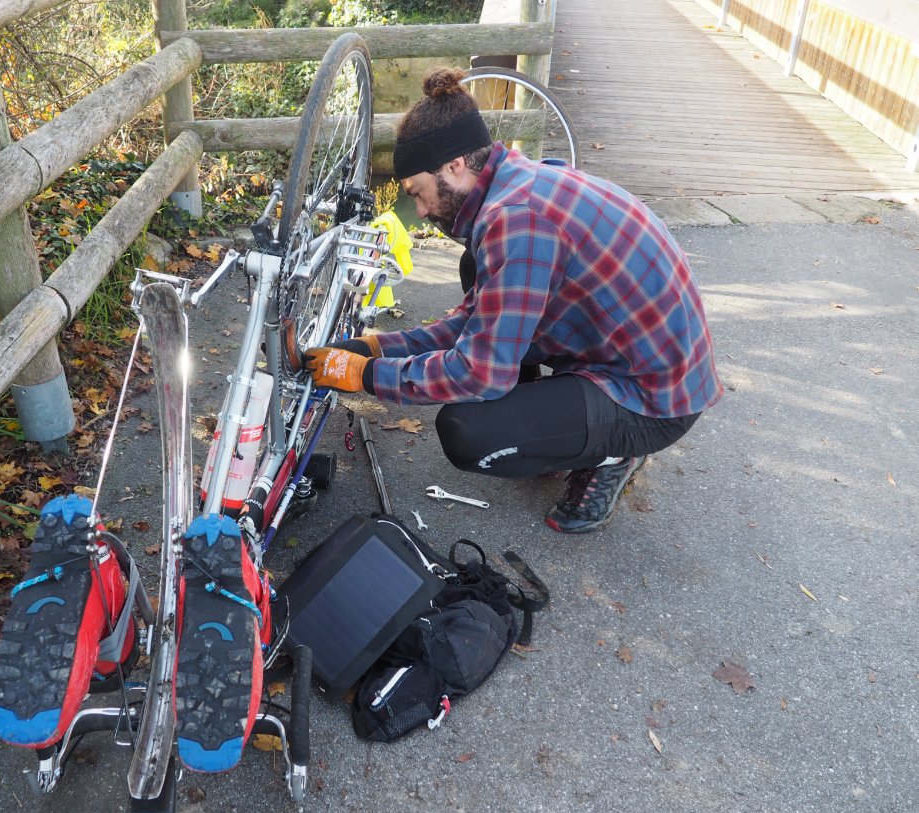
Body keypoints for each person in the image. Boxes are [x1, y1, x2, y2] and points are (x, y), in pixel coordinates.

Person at [304, 67, 723, 533]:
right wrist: (380, 348)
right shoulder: (516, 180)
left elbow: (477, 371)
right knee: (474, 266)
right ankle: (550, 421)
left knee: (468, 433)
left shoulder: (516, 220)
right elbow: (476, 319)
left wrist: (366, 377)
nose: (419, 211)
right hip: (624, 354)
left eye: (417, 193)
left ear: (455, 166)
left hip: (652, 399)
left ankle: (611, 453)